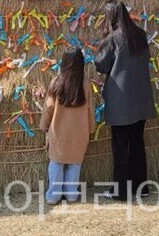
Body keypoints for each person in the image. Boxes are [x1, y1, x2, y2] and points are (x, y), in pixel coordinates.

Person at [94, 0, 157, 200]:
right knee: (137, 142)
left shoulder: (113, 39)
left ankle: (120, 191)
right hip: (141, 97)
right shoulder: (140, 35)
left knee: (120, 145)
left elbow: (101, 66)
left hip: (121, 99)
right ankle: (141, 188)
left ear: (110, 16)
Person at [40, 47, 96, 205]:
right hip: (79, 133)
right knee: (74, 162)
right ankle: (71, 194)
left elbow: (48, 109)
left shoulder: (56, 82)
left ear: (63, 63)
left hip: (58, 132)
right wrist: (91, 129)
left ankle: (53, 195)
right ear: (81, 65)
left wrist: (44, 126)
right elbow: (91, 110)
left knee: (56, 162)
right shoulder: (85, 85)